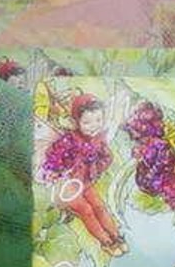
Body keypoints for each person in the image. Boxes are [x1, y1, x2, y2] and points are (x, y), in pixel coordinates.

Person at [41, 94, 127, 256]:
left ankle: (115, 235)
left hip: (85, 182)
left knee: (99, 206)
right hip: (67, 186)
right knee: (86, 210)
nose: (93, 126)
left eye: (98, 120)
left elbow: (106, 157)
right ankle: (106, 241)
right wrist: (56, 171)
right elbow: (54, 157)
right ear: (76, 122)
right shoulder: (69, 140)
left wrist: (96, 168)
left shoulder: (98, 140)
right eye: (87, 122)